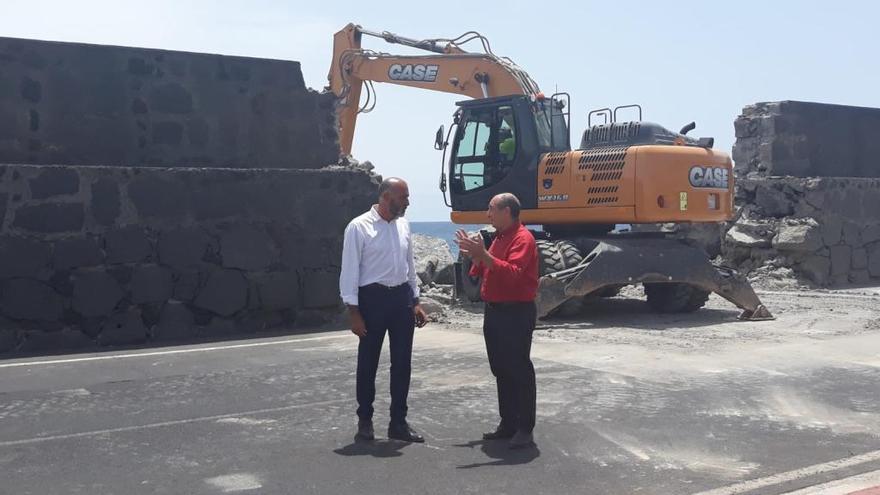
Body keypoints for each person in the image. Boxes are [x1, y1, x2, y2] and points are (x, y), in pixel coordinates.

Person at [339, 177, 428, 443]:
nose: (408, 202)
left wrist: (416, 301)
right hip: (372, 300)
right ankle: (365, 421)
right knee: (368, 363)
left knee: (402, 364)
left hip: (400, 298)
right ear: (386, 197)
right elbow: (350, 271)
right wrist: (353, 311)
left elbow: (409, 266)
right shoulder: (358, 227)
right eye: (403, 197)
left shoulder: (403, 225)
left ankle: (398, 423)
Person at [455, 193, 539, 449]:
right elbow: (481, 270)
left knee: (519, 369)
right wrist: (475, 253)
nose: (487, 214)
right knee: (500, 368)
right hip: (495, 312)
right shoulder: (500, 237)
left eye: (491, 209)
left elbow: (513, 273)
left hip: (516, 312)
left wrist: (484, 255)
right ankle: (508, 423)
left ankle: (525, 428)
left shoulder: (523, 238)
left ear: (506, 211)